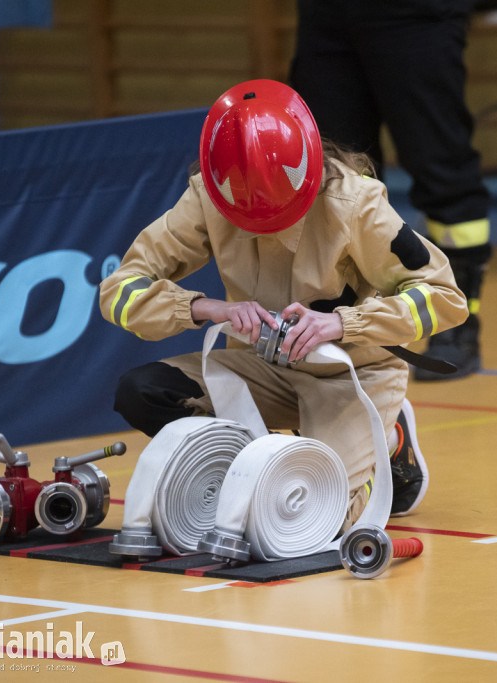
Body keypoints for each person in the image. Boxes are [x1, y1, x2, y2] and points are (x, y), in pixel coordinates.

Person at [98, 80, 468, 527]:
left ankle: (387, 440)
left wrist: (342, 325)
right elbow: (119, 290)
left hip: (351, 378)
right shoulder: (206, 197)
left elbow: (445, 297)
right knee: (141, 392)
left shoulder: (356, 203)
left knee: (313, 523)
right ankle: (252, 471)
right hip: (262, 371)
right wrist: (206, 308)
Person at [289, 0, 490, 381]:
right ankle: (344, 321)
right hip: (326, 14)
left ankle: (455, 322)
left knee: (441, 167)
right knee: (334, 172)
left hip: (415, 13)